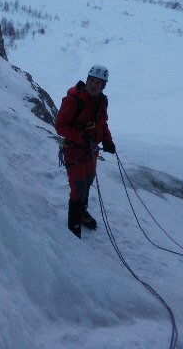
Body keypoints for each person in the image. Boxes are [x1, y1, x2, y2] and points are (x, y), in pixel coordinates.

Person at [55, 65, 116, 239]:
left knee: (88, 181)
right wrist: (82, 138)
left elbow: (102, 124)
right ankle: (73, 225)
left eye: (98, 83)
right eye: (91, 81)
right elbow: (60, 126)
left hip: (91, 152)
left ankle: (81, 213)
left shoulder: (102, 101)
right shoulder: (74, 100)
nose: (94, 85)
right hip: (74, 151)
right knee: (78, 186)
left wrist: (107, 140)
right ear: (86, 80)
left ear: (103, 86)